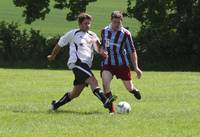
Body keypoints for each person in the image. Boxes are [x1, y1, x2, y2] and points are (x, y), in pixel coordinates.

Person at [47, 13, 116, 113]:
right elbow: (60, 44)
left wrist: (103, 53)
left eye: (89, 23)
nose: (87, 25)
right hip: (76, 63)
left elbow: (99, 49)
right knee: (93, 81)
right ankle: (105, 101)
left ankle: (55, 105)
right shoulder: (73, 33)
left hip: (86, 66)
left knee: (75, 93)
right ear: (80, 24)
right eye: (85, 23)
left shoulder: (92, 35)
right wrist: (52, 55)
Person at [100, 11, 143, 113]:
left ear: (121, 22)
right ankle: (112, 110)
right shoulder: (104, 31)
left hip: (121, 64)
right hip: (108, 63)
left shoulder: (126, 34)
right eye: (115, 22)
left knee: (129, 87)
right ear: (111, 20)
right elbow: (101, 46)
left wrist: (136, 67)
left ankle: (134, 90)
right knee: (105, 84)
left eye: (118, 22)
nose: (116, 25)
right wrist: (101, 51)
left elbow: (132, 51)